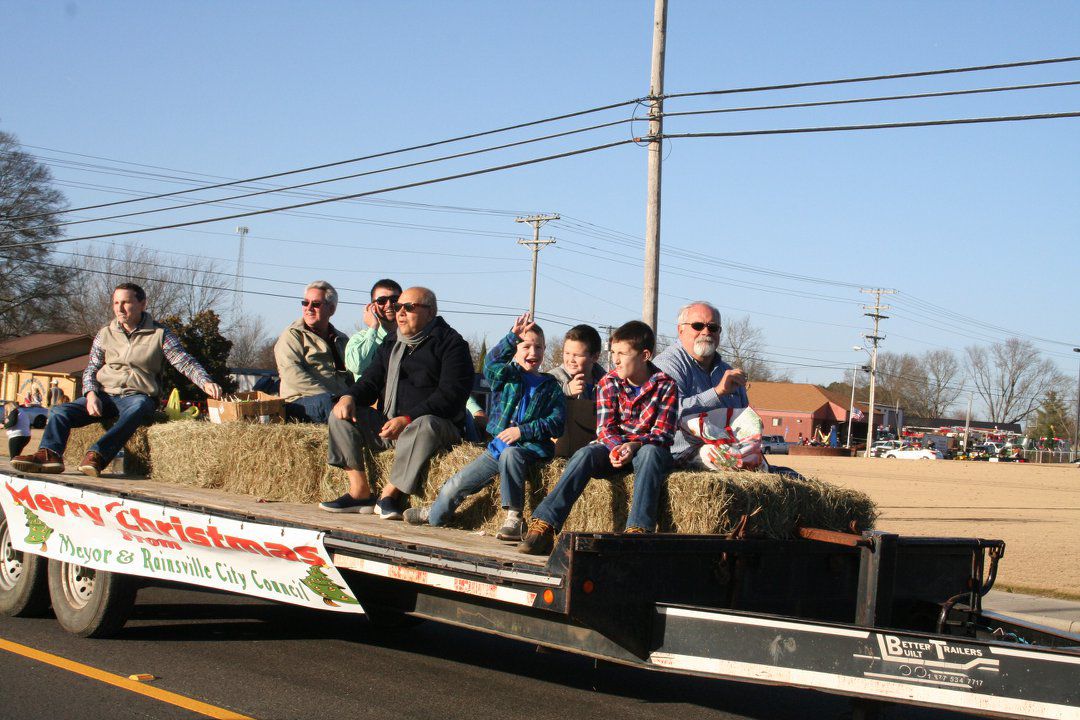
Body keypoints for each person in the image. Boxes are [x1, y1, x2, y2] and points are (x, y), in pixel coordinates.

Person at [12, 283, 222, 477]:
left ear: (142, 304)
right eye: (116, 303)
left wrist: (204, 381)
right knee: (59, 411)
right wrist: (91, 394)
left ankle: (98, 455)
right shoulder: (105, 333)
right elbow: (91, 368)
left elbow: (183, 361)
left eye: (126, 302)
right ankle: (50, 455)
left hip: (137, 396)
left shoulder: (160, 334)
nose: (120, 308)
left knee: (138, 407)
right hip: (104, 395)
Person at [519, 321, 678, 555]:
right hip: (615, 448)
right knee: (585, 453)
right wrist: (617, 448)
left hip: (648, 451)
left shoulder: (666, 386)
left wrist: (633, 446)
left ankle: (637, 532)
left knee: (650, 452)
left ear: (645, 355)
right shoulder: (608, 382)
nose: (615, 359)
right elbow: (605, 429)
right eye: (613, 352)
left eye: (622, 353)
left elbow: (663, 434)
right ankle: (545, 525)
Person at [404, 314, 565, 540]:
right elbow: (491, 365)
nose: (533, 352)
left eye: (538, 347)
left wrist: (523, 431)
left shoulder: (551, 387)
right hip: (496, 449)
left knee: (511, 454)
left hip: (530, 450)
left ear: (545, 350)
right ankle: (435, 514)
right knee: (456, 484)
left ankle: (514, 519)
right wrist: (510, 338)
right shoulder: (508, 376)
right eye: (526, 346)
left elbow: (557, 423)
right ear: (515, 350)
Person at [319, 287, 474, 519]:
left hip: (432, 429)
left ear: (430, 313)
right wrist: (348, 397)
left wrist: (408, 419)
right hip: (390, 424)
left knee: (425, 424)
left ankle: (390, 495)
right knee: (340, 414)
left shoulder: (452, 344)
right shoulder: (392, 342)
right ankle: (359, 492)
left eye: (409, 307)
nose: (399, 312)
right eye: (398, 307)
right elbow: (370, 382)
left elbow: (450, 396)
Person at [652, 301, 749, 466]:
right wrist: (717, 392)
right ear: (680, 329)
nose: (706, 332)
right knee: (709, 455)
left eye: (713, 327)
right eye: (697, 326)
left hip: (730, 455)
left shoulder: (728, 372)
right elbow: (672, 412)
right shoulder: (667, 365)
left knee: (787, 476)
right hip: (680, 456)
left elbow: (745, 421)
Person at [274, 280, 353, 423]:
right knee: (334, 407)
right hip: (300, 401)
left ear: (332, 309)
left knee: (362, 408)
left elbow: (352, 373)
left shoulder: (341, 339)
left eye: (316, 304)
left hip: (336, 398)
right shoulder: (292, 335)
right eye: (305, 303)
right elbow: (291, 372)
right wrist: (330, 396)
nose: (309, 308)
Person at [344, 278, 402, 381]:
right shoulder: (359, 339)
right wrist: (373, 327)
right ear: (372, 307)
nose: (388, 305)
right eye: (381, 301)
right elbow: (357, 366)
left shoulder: (412, 339)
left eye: (394, 300)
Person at [549, 324, 606, 400]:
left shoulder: (607, 382)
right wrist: (566, 391)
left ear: (595, 357)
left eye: (577, 355)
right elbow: (542, 403)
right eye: (567, 353)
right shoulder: (552, 379)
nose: (571, 360)